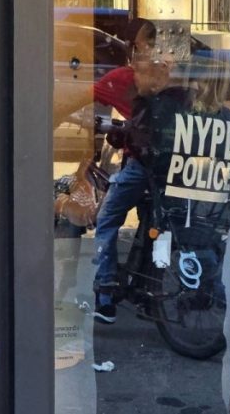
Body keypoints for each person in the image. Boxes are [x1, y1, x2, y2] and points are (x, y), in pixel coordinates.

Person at [90, 18, 172, 323]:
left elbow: (82, 98)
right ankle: (152, 292)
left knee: (107, 219)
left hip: (144, 163)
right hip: (174, 164)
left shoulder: (132, 75)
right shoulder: (174, 72)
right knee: (162, 221)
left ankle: (105, 294)